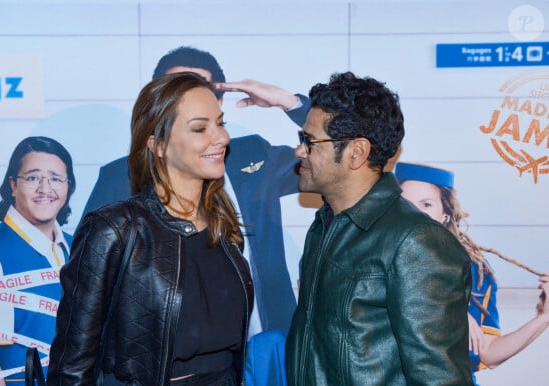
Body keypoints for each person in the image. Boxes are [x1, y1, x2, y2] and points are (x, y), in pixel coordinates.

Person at [82, 45, 310, 335]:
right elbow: (89, 290)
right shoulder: (118, 178)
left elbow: (356, 151)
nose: (193, 100)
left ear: (221, 98)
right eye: (177, 89)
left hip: (267, 350)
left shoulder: (254, 156)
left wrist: (291, 104)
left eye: (202, 88)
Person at [48, 72, 254, 385]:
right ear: (157, 144)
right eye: (200, 128)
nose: (222, 138)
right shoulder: (113, 230)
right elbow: (72, 369)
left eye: (221, 123)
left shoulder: (224, 230)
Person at [285, 72, 473, 385]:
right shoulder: (323, 226)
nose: (299, 151)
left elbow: (440, 378)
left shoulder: (417, 242)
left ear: (356, 152)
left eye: (309, 141)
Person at [395, 161, 549, 385]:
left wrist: (544, 318)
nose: (416, 215)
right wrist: (452, 307)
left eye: (426, 205)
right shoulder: (375, 259)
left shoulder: (475, 270)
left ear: (445, 214)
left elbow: (488, 354)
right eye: (406, 205)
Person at [0, 136, 76, 386]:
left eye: (56, 179)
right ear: (13, 186)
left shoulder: (79, 246)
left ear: (68, 188)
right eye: (32, 178)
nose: (45, 188)